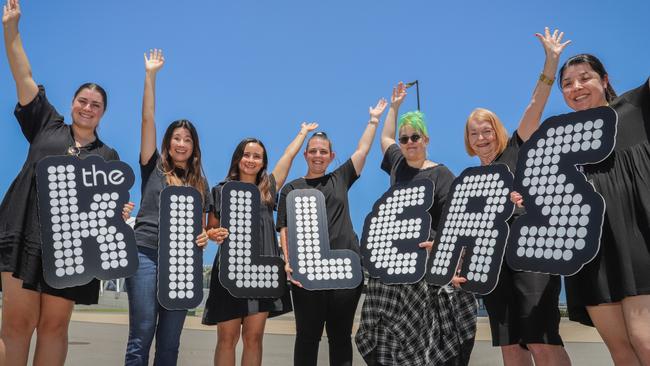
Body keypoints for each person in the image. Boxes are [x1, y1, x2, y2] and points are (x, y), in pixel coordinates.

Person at [0, 1, 132, 365]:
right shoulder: (46, 123)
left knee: (55, 327)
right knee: (16, 324)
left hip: (72, 249)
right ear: (72, 103)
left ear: (103, 112)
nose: (87, 108)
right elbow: (23, 76)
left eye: (96, 105)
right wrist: (11, 30)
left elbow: (110, 210)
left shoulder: (108, 157)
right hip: (24, 229)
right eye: (82, 101)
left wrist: (119, 212)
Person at [511, 53, 650, 365]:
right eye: (567, 84)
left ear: (604, 80)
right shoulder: (564, 138)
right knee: (621, 350)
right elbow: (526, 131)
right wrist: (549, 65)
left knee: (645, 339)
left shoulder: (635, 107)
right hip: (592, 252)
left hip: (639, 238)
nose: (576, 87)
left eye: (585, 78)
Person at [462, 28, 572, 366]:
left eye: (487, 129)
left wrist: (550, 62)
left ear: (498, 130)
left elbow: (535, 104)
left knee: (541, 341)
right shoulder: (471, 181)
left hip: (532, 257)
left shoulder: (516, 149)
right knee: (511, 348)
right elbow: (465, 230)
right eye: (474, 132)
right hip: (495, 268)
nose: (481, 137)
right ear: (468, 140)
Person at [355, 83, 477, 366]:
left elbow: (454, 222)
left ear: (426, 139)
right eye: (405, 138)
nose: (409, 142)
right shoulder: (398, 163)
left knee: (430, 340)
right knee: (394, 339)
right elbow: (384, 137)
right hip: (396, 269)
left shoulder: (442, 174)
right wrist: (394, 107)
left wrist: (442, 249)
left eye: (415, 137)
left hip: (428, 266)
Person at [276, 98, 387, 366]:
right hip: (307, 275)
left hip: (345, 273)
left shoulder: (341, 178)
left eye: (323, 151)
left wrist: (373, 120)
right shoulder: (291, 189)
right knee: (306, 337)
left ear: (331, 156)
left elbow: (363, 149)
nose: (317, 155)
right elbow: (284, 229)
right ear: (305, 155)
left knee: (340, 338)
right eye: (312, 151)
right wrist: (289, 263)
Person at [203, 123, 317, 366]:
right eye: (247, 154)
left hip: (262, 274)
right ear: (237, 159)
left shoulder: (267, 190)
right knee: (227, 338)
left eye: (257, 156)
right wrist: (214, 234)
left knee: (254, 338)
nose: (251, 160)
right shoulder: (220, 190)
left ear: (263, 162)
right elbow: (210, 227)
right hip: (229, 273)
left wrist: (302, 133)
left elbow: (288, 157)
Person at [124, 49, 212, 366]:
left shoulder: (199, 184)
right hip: (146, 253)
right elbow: (147, 118)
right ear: (168, 142)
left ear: (194, 146)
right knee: (141, 335)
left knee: (170, 343)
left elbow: (203, 227)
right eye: (176, 137)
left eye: (187, 139)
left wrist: (203, 235)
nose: (181, 143)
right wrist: (151, 76)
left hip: (183, 263)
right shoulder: (153, 168)